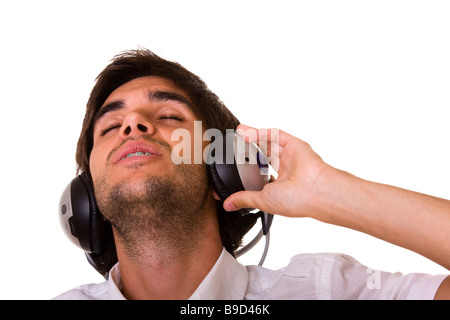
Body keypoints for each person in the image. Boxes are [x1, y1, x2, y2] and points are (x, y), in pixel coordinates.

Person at [54, 48, 449, 300]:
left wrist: (328, 191)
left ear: (225, 169)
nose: (133, 124)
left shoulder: (325, 290)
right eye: (109, 127)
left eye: (168, 116)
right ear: (89, 200)